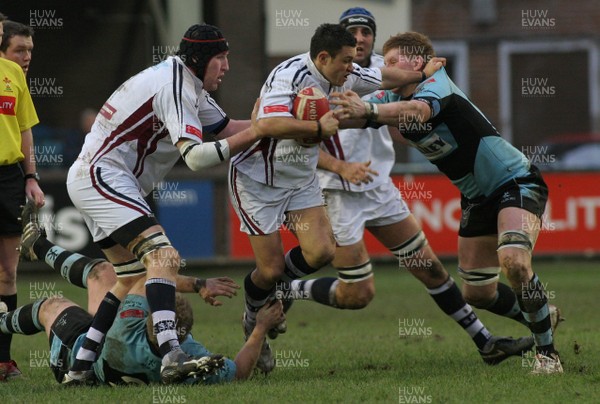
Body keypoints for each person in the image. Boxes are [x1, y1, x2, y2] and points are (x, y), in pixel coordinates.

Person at [284, 7, 536, 366]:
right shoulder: (322, 80)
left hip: (378, 188)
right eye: (351, 32)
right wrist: (340, 165)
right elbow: (302, 143)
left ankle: (486, 343)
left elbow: (415, 99)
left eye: (365, 32)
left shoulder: (381, 75)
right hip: (337, 192)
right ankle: (287, 288)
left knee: (430, 268)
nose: (358, 38)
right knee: (359, 293)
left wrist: (428, 72)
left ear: (373, 37)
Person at [333, 31, 562, 374]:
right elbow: (351, 116)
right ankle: (542, 313)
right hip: (475, 197)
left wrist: (366, 107)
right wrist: (313, 115)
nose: (389, 69)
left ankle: (548, 356)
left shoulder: (437, 86)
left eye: (395, 61)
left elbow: (416, 111)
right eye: (387, 63)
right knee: (477, 293)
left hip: (514, 182)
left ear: (419, 63)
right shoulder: (390, 94)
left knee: (513, 261)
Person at [229, 23, 445, 374]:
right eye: (345, 61)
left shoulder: (344, 71)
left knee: (322, 252)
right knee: (270, 269)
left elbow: (382, 75)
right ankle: (256, 323)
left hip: (299, 178)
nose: (352, 67)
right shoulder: (290, 75)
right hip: (259, 178)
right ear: (323, 57)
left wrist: (421, 71)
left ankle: (275, 299)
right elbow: (265, 125)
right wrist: (317, 129)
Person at [63, 23, 266, 385]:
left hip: (97, 178)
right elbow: (197, 157)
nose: (227, 66)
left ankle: (80, 364)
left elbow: (230, 130)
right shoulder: (174, 86)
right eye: (221, 58)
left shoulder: (186, 83)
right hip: (102, 176)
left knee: (129, 277)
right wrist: (262, 131)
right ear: (201, 59)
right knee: (164, 258)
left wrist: (273, 123)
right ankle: (172, 352)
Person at [0, 210, 284, 385]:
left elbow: (140, 278)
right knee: (101, 273)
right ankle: (36, 245)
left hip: (83, 360)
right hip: (112, 349)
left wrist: (196, 283)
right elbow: (238, 373)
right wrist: (259, 327)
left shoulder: (127, 325)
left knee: (51, 305)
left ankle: (2, 320)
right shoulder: (188, 357)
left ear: (150, 316)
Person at [0, 12, 44, 381]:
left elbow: (25, 131)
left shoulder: (12, 75)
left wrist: (31, 177)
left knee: (7, 272)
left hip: (9, 178)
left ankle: (3, 360)